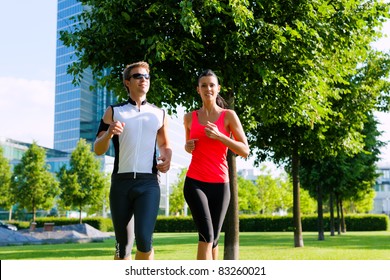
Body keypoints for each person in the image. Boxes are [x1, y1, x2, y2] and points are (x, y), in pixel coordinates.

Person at [94, 61, 172, 260]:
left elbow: (164, 144)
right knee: (123, 247)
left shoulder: (159, 114)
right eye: (138, 76)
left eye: (146, 76)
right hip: (121, 183)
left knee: (145, 240)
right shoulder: (114, 111)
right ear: (127, 82)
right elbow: (98, 149)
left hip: (148, 183)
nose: (143, 80)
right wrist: (109, 133)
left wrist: (167, 156)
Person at [183, 69, 249, 260]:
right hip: (195, 181)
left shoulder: (228, 116)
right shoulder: (189, 117)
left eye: (212, 85)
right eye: (204, 85)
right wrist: (187, 146)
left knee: (214, 239)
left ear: (218, 88)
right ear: (198, 89)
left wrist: (220, 136)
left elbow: (244, 150)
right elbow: (190, 148)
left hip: (221, 184)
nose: (208, 89)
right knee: (207, 236)